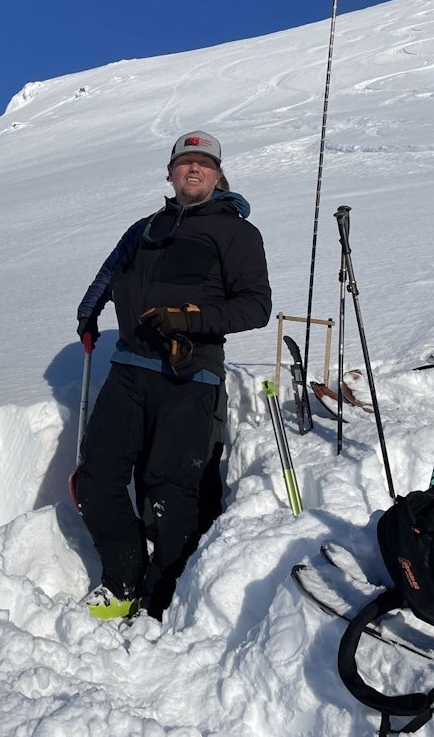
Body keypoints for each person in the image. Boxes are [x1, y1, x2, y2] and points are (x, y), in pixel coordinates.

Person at [74, 131, 271, 619]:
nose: (194, 169)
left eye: (204, 162)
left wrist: (189, 320)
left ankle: (161, 598)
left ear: (218, 174)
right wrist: (89, 311)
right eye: (185, 162)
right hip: (129, 368)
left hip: (191, 376)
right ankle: (122, 580)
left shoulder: (236, 232)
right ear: (170, 173)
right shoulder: (145, 228)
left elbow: (256, 307)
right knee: (96, 479)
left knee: (170, 491)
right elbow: (109, 272)